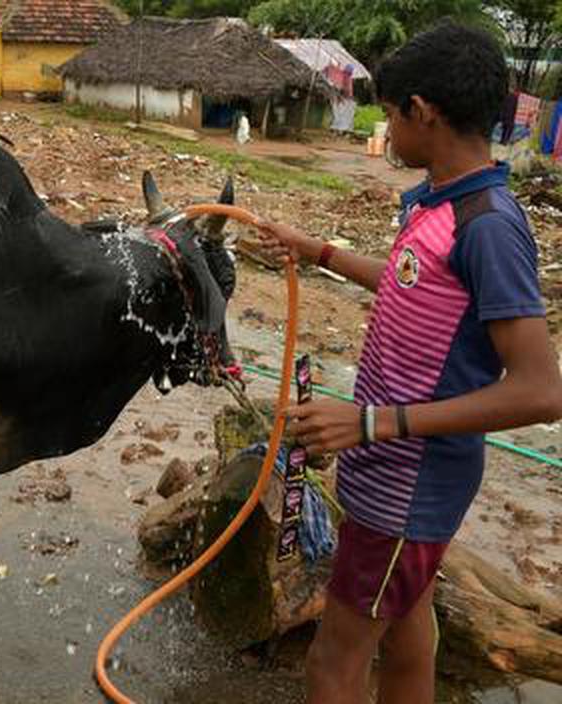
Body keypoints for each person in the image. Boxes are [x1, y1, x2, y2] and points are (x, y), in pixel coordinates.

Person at [258, 22, 562, 704]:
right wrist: (318, 251)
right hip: (398, 474)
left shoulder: (488, 225)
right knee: (407, 627)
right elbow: (409, 279)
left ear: (421, 112)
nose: (387, 129)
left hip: (407, 487)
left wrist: (369, 424)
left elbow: (543, 392)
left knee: (334, 661)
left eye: (391, 114)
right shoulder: (439, 201)